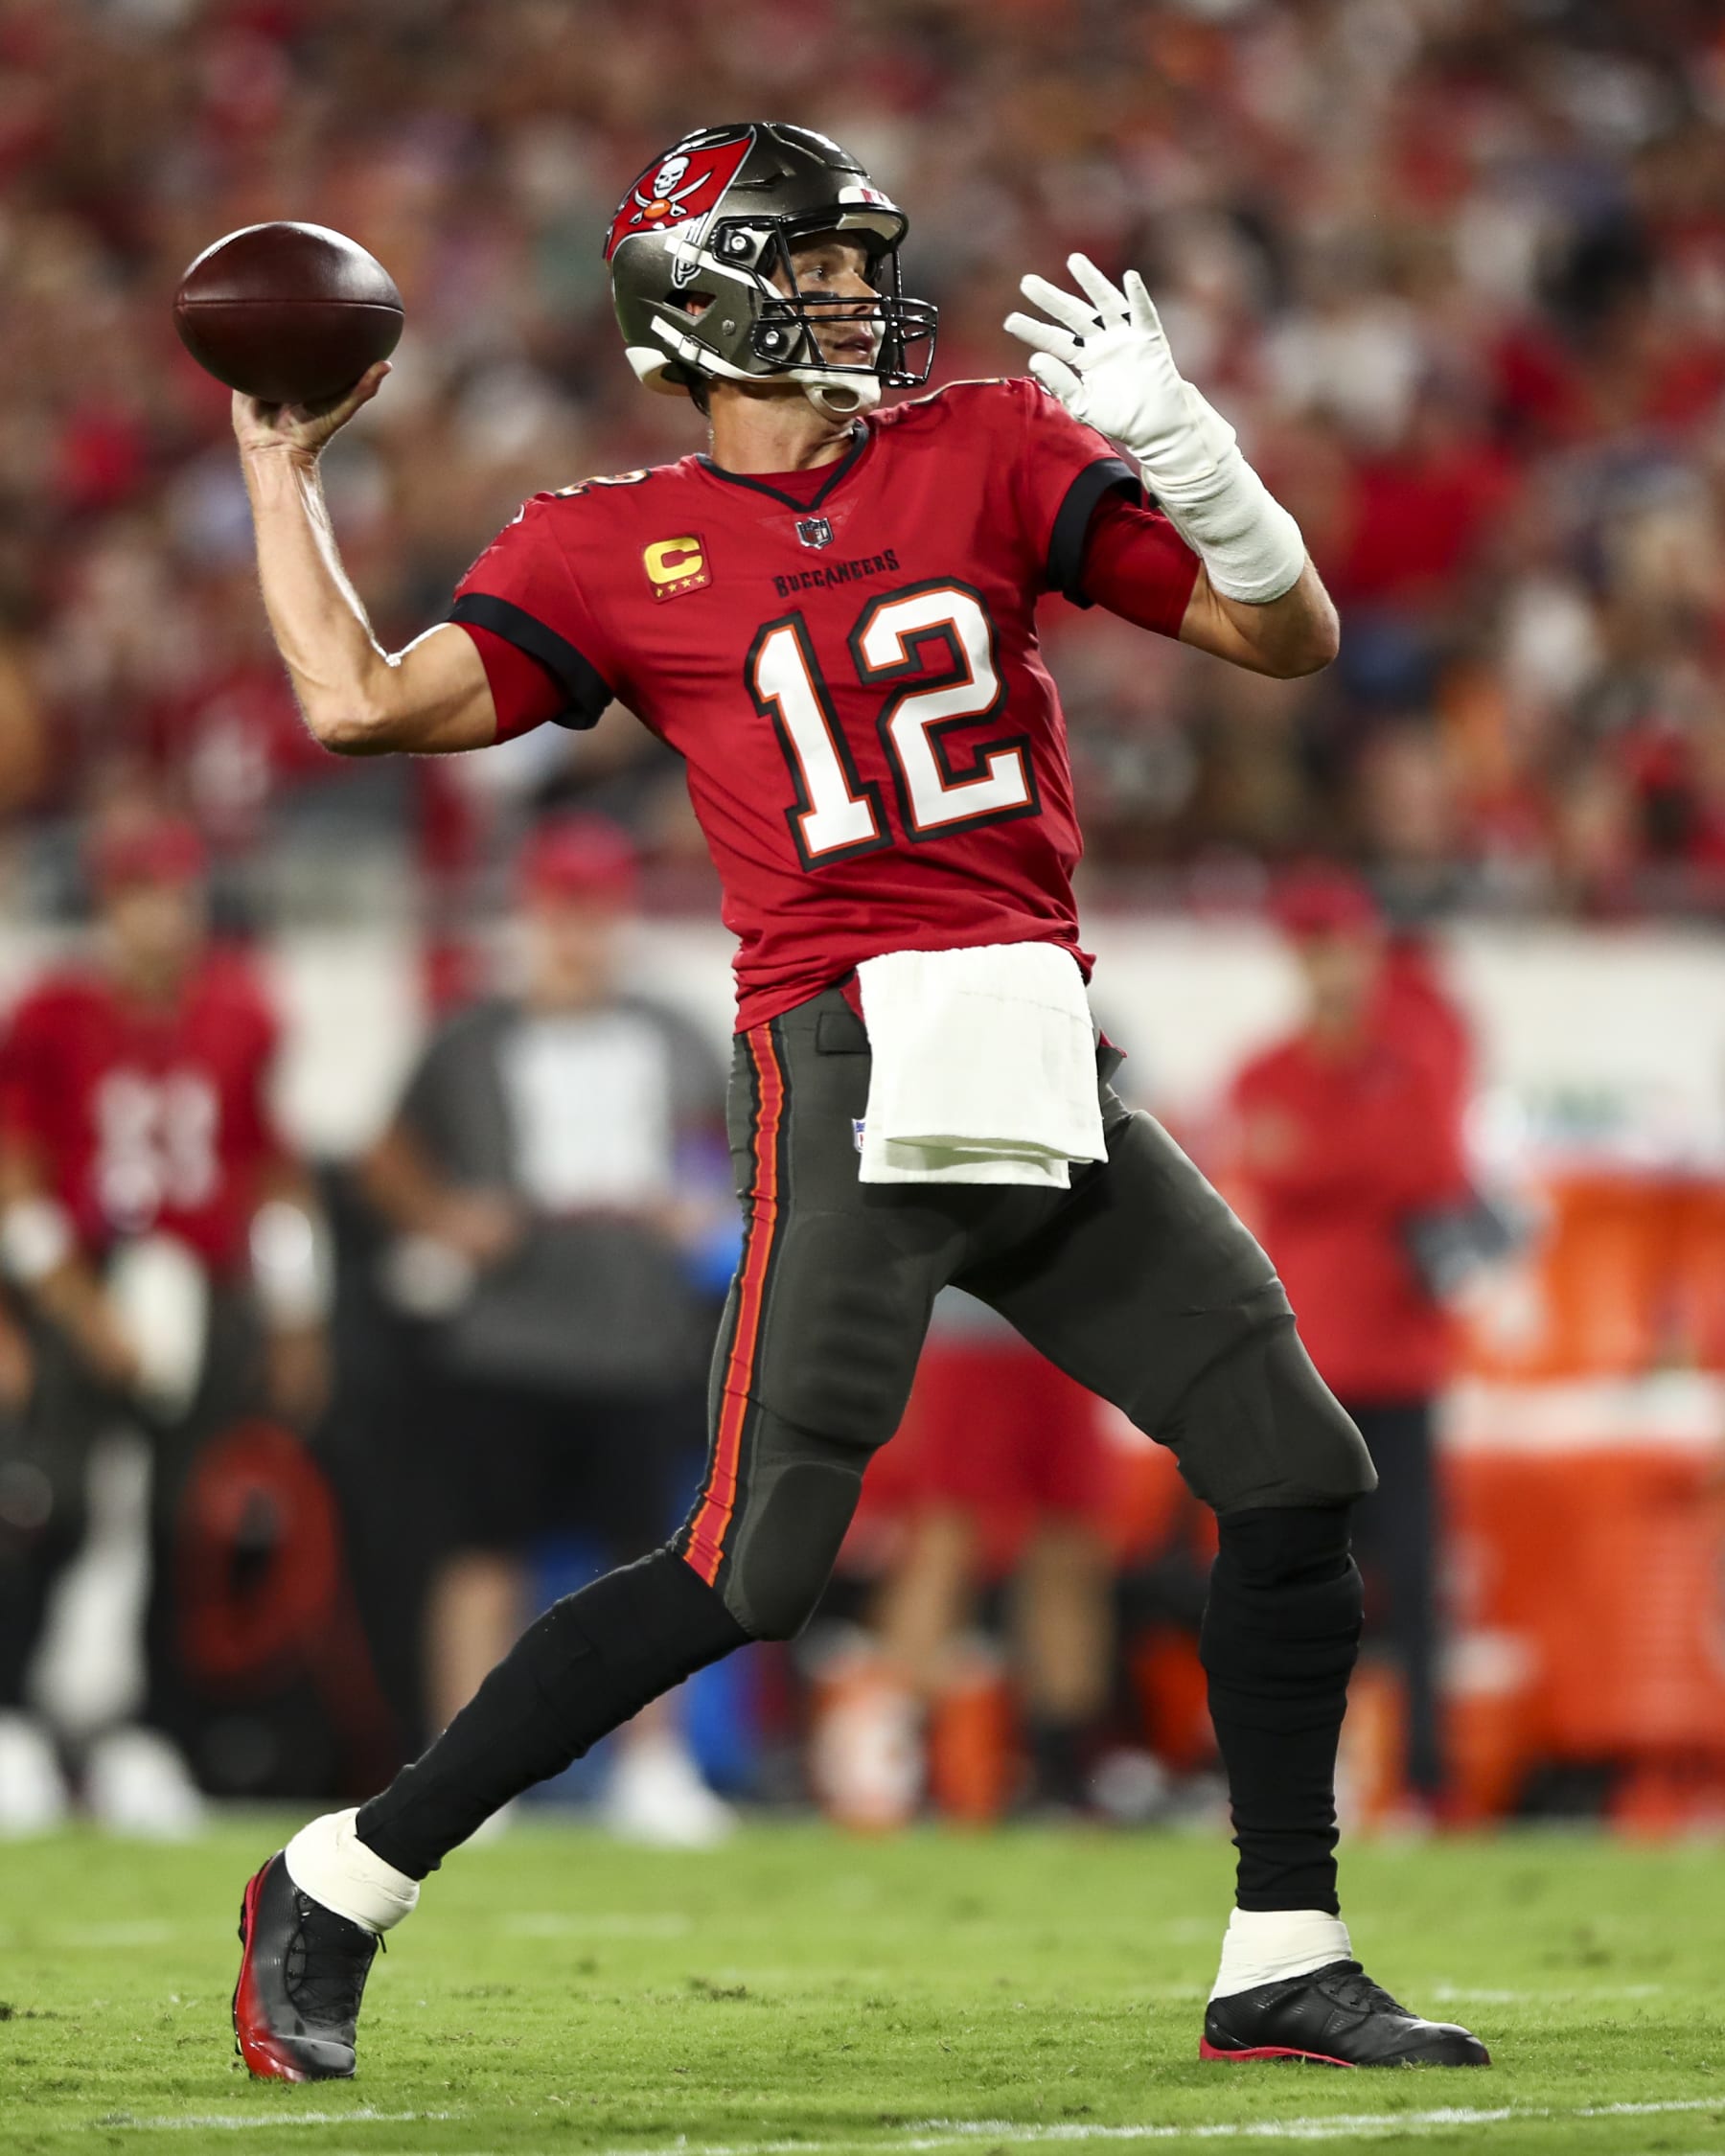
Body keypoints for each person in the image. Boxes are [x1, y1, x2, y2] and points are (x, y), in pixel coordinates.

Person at [225, 123, 1487, 2076]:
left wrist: (1195, 451)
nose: (850, 296)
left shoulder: (983, 447)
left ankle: (1282, 1947)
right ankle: (339, 1877)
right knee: (753, 1565)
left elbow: (1287, 635)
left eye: (848, 262)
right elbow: (357, 704)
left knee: (1294, 1465)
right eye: (810, 266)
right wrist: (275, 467)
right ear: (706, 299)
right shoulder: (604, 542)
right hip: (850, 1062)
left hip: (1040, 1049)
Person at [363, 813, 734, 1846]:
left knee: (653, 1562)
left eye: (594, 907)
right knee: (485, 1555)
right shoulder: (471, 1034)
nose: (577, 929)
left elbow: (725, 1147)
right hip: (508, 1336)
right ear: (531, 911)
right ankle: (462, 1771)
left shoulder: (672, 1030)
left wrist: (697, 1207)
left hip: (635, 1329)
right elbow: (385, 1156)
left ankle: (653, 1766)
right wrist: (445, 1218)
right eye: (561, 906)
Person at [0, 812, 330, 1834]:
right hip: (80, 1279)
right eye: (140, 895)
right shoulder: (55, 1013)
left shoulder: (240, 1012)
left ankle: (144, 1732)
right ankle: (15, 1720)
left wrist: (296, 1314)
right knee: (42, 1505)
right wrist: (72, 1308)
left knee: (177, 1523)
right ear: (108, 906)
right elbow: (17, 1176)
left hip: (197, 1290)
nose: (160, 917)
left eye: (174, 894)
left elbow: (274, 1174)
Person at [1228, 867, 1472, 1814]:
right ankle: (1289, 1769)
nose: (1327, 967)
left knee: (1411, 1575)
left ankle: (1423, 1771)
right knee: (1296, 1577)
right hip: (1311, 1360)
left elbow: (1434, 1168)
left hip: (1397, 1361)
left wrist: (1331, 1155)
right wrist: (1366, 1151)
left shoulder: (1411, 1053)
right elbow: (1289, 1164)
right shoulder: (1271, 1071)